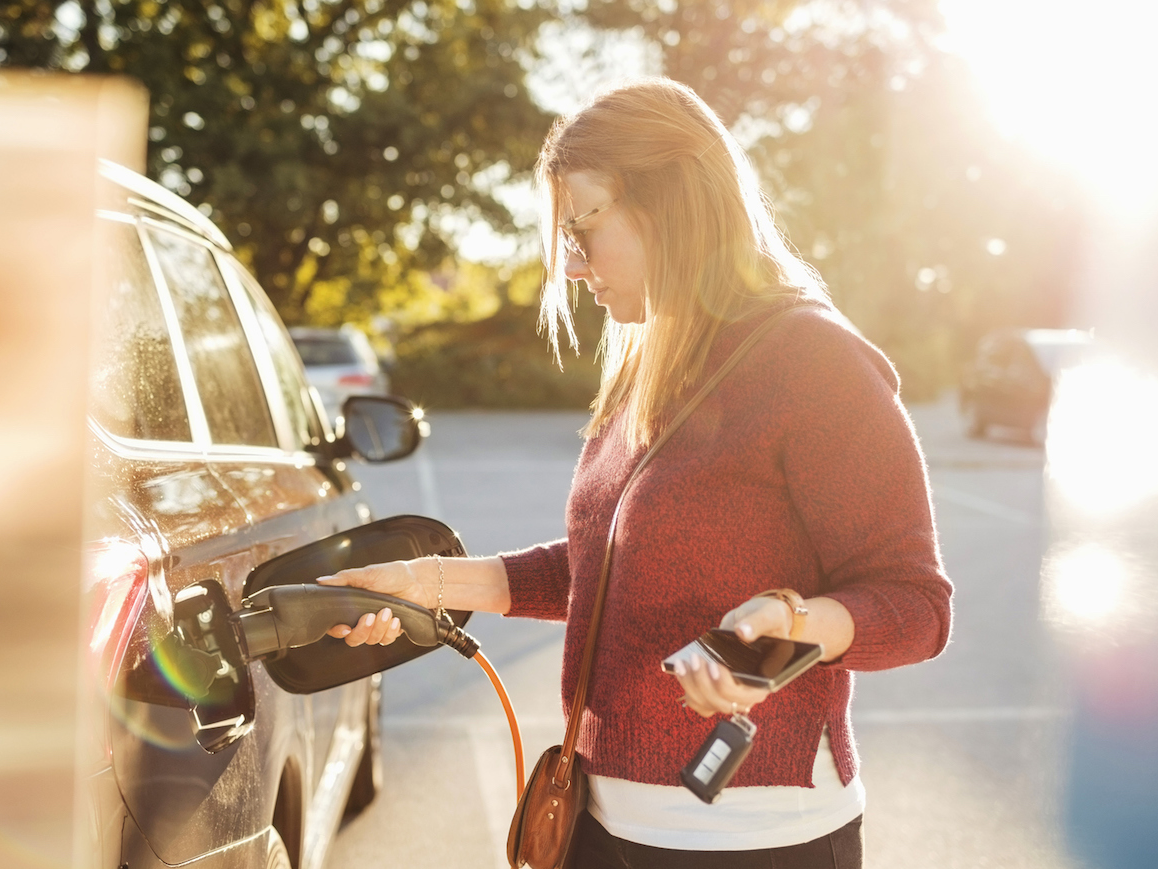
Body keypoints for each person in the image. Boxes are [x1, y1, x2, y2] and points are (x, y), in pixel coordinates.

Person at [320, 78, 953, 869]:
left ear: (672, 202)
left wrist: (795, 622)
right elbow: (602, 567)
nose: (576, 269)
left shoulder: (816, 360)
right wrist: (428, 583)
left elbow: (916, 605)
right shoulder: (652, 362)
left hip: (758, 837)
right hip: (600, 821)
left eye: (583, 232)